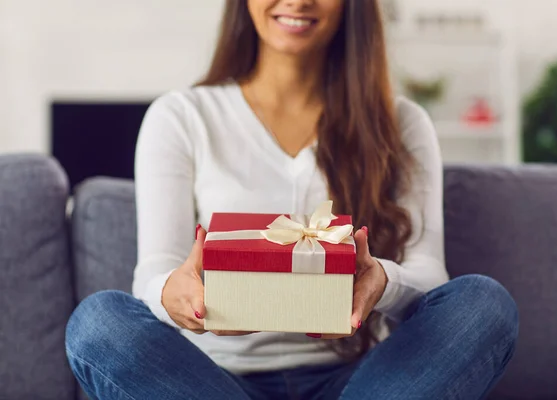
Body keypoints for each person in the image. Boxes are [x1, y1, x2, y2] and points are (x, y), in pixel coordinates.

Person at [65, 0, 519, 399]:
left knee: (484, 303)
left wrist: (380, 279)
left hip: (362, 381)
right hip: (212, 380)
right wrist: (174, 293)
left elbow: (430, 277)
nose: (298, 1)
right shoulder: (183, 116)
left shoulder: (401, 122)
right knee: (98, 323)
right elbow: (153, 272)